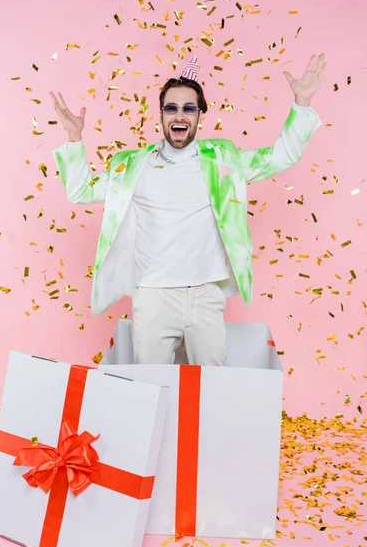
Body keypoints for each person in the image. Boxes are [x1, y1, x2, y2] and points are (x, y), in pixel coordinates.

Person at [51, 53, 326, 366]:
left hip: (205, 294)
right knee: (151, 387)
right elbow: (80, 190)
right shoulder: (133, 167)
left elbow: (281, 156)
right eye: (171, 107)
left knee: (213, 387)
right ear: (161, 114)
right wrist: (74, 138)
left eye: (188, 108)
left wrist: (301, 104)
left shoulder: (224, 159)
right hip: (153, 296)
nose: (178, 115)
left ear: (199, 114)